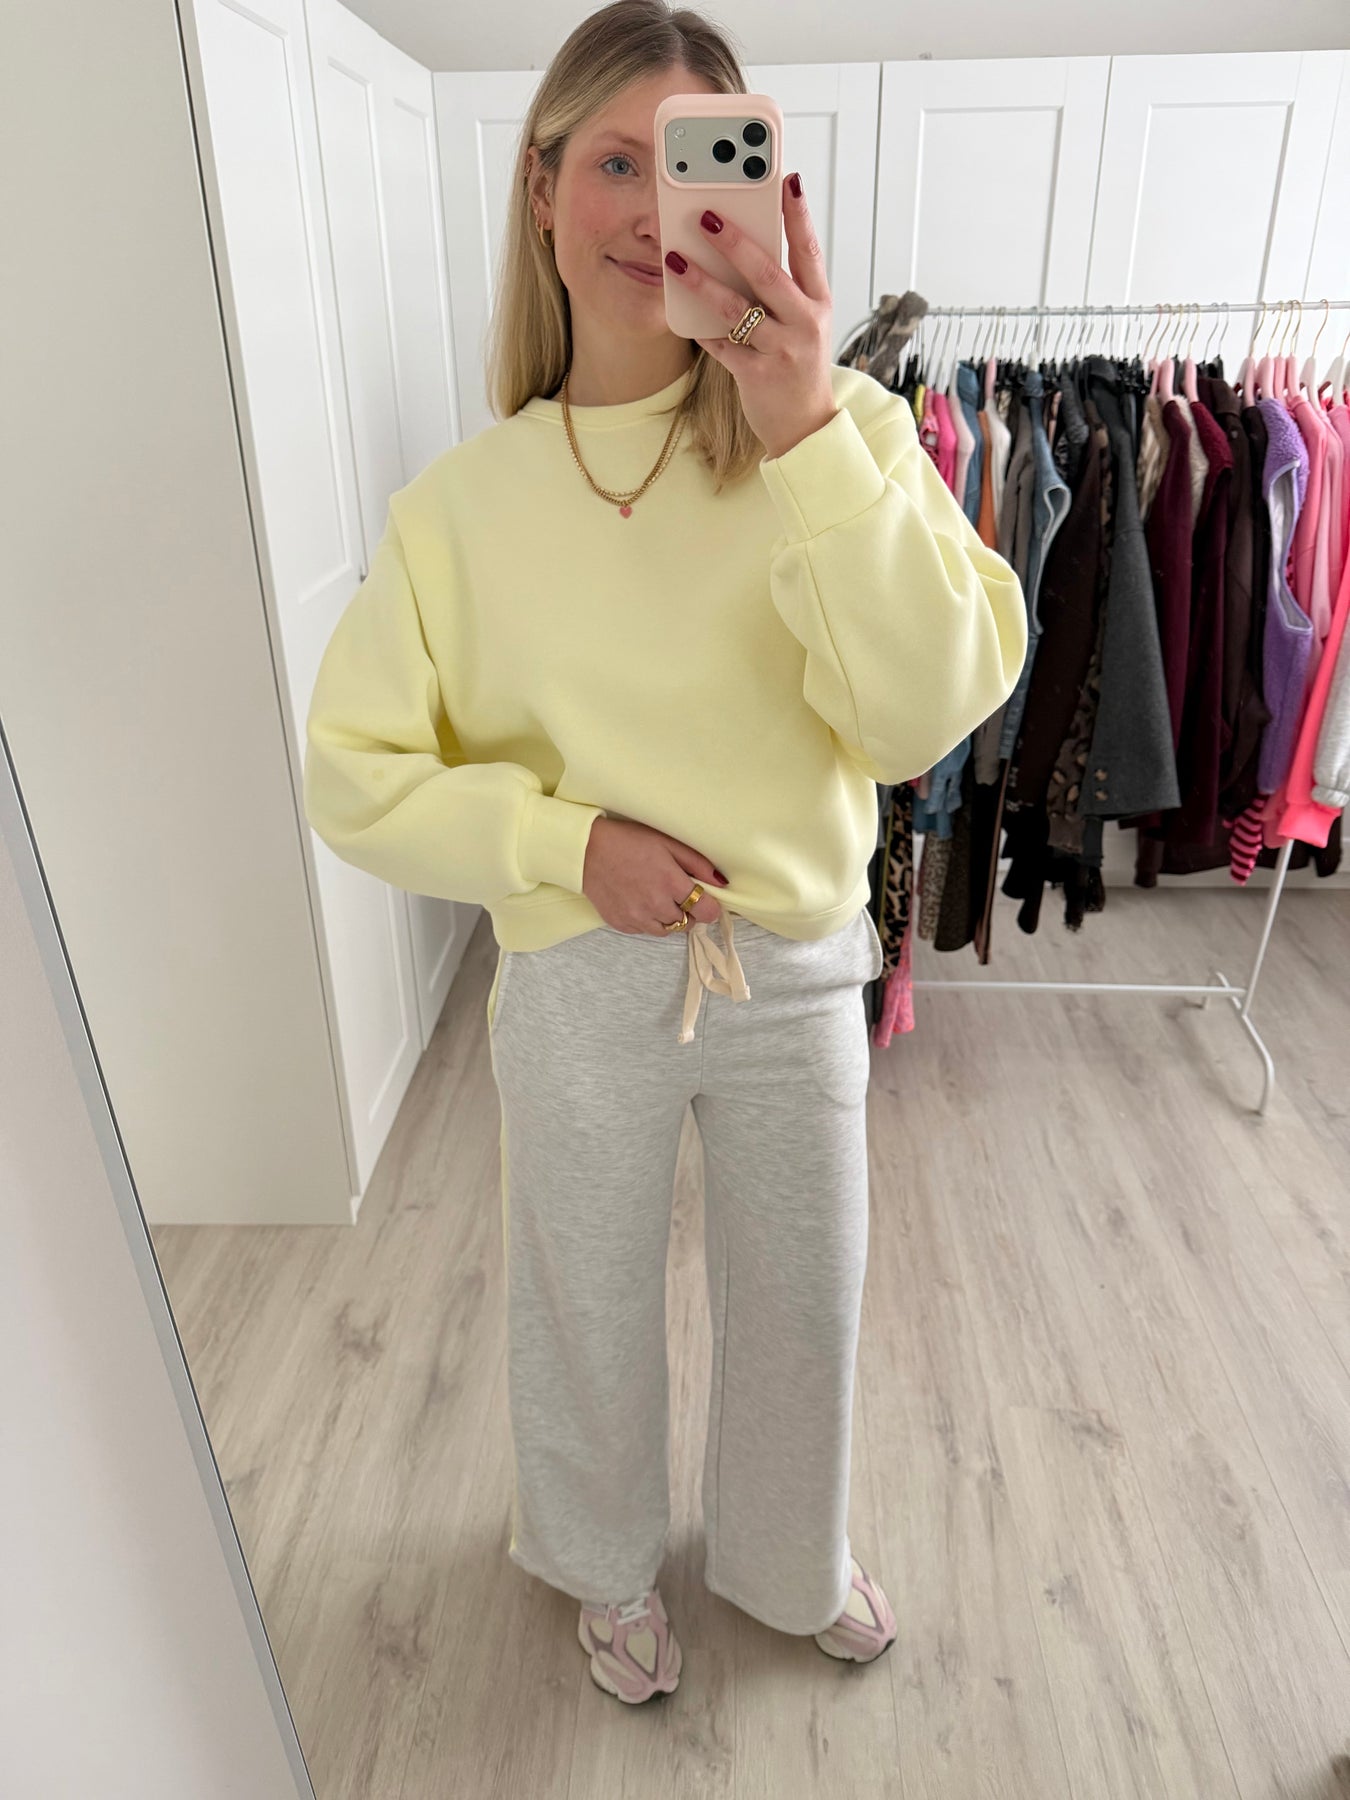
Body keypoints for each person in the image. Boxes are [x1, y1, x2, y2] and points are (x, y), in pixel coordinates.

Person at [303, 0, 1026, 1707]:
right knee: (584, 1302)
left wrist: (799, 419)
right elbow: (353, 774)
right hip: (579, 970)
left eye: (699, 167)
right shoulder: (459, 507)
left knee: (806, 1300)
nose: (652, 211)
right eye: (613, 164)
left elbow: (918, 713)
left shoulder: (842, 438)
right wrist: (564, 844)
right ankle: (601, 1563)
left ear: (763, 196)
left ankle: (786, 1557)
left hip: (792, 966)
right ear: (542, 191)